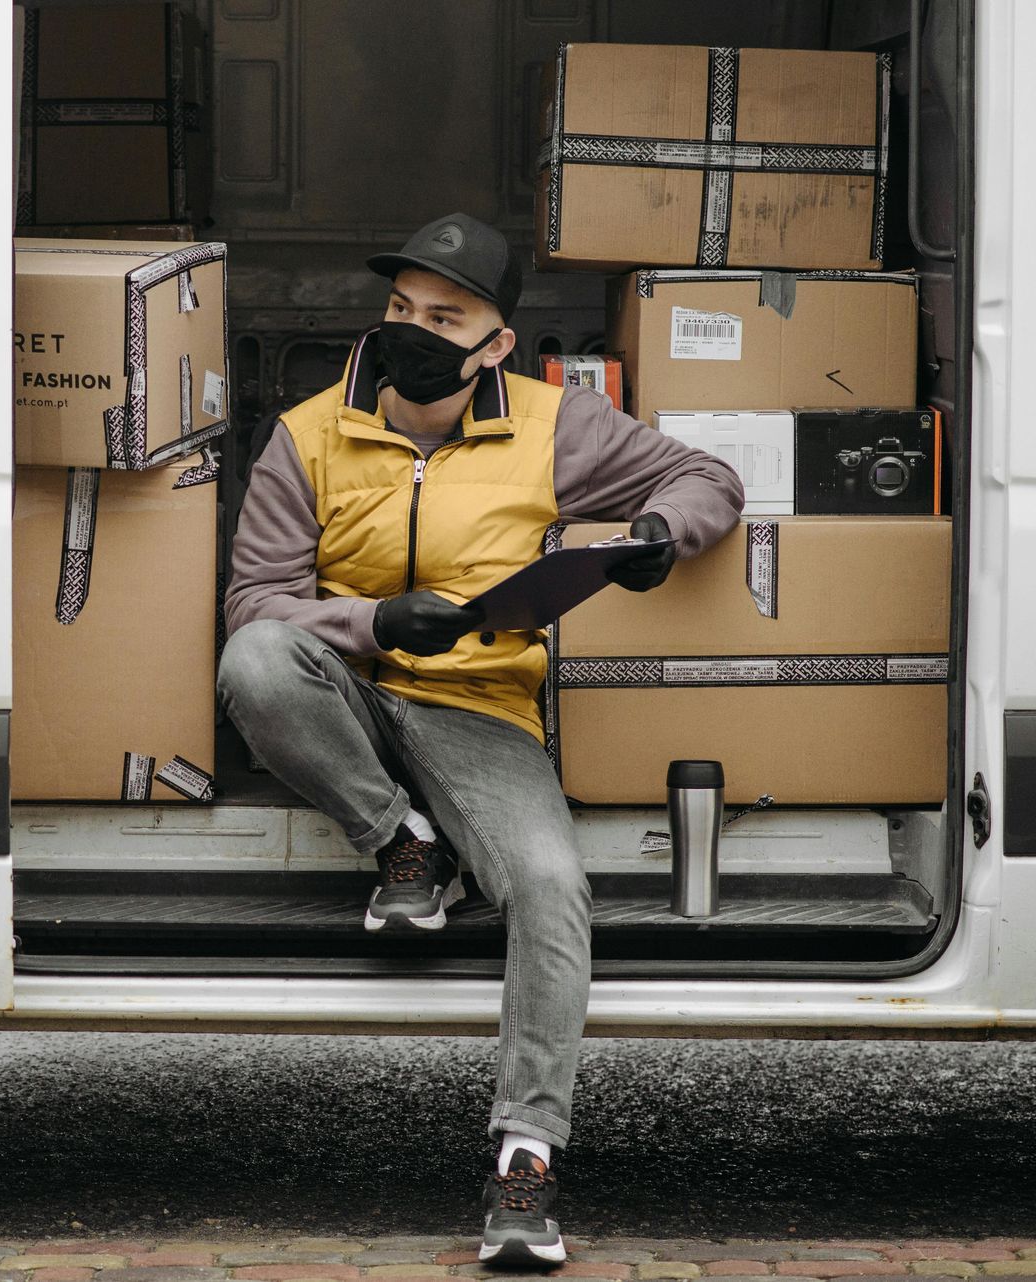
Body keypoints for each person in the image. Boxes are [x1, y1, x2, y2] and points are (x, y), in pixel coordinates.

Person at [217, 213, 745, 1267]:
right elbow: (254, 605)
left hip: (479, 711)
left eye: (445, 317)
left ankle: (526, 1158)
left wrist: (654, 536)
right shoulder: (309, 431)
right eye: (401, 309)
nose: (413, 331)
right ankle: (399, 837)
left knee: (550, 884)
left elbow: (710, 480)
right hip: (349, 692)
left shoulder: (561, 424)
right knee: (256, 665)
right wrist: (374, 621)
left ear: (497, 343)